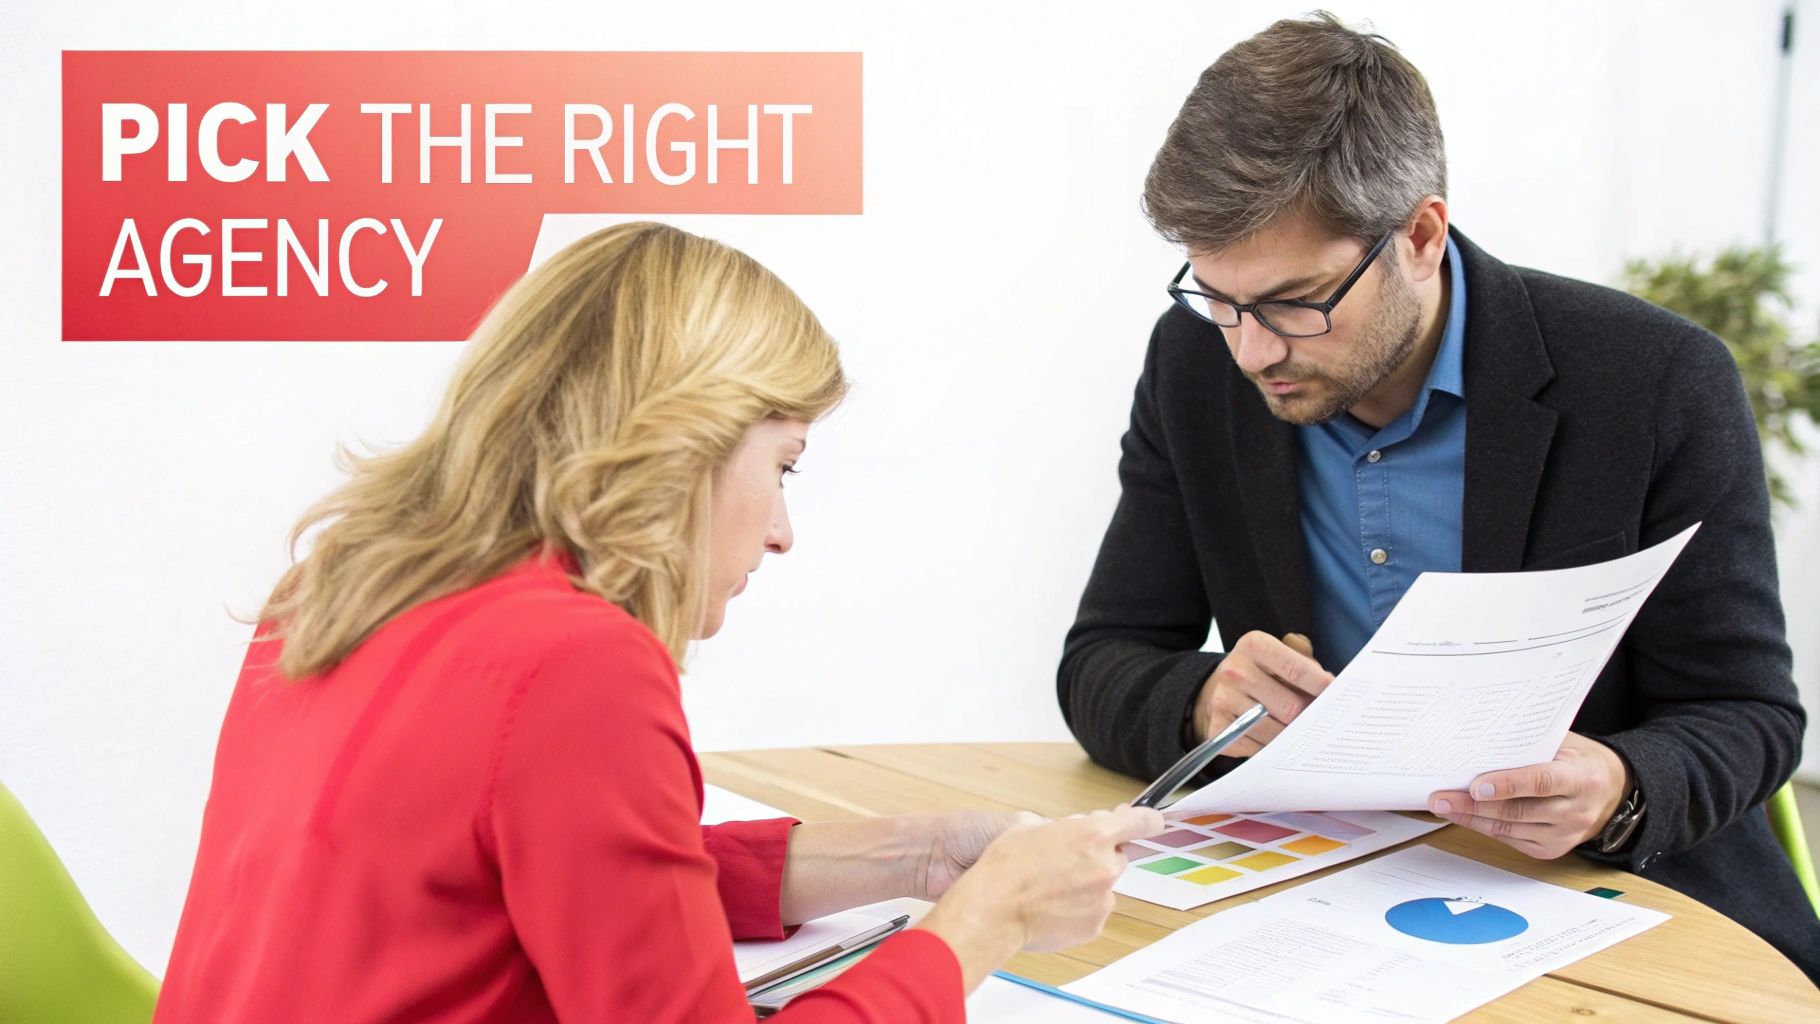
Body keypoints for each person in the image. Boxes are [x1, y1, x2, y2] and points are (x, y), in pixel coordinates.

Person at [155, 221, 1164, 1023]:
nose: (780, 533)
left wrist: (914, 855)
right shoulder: (574, 663)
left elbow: (576, 887)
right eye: (782, 467)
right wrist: (981, 923)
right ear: (680, 443)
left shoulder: (340, 588)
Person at [1057, 13, 1820, 981]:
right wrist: (1202, 699)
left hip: (1616, 903)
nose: (1251, 350)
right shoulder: (1196, 367)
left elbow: (1747, 714)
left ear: (1419, 234)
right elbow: (1100, 660)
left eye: (1294, 302)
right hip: (1322, 900)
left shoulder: (1653, 380)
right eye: (1217, 298)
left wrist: (1618, 785)